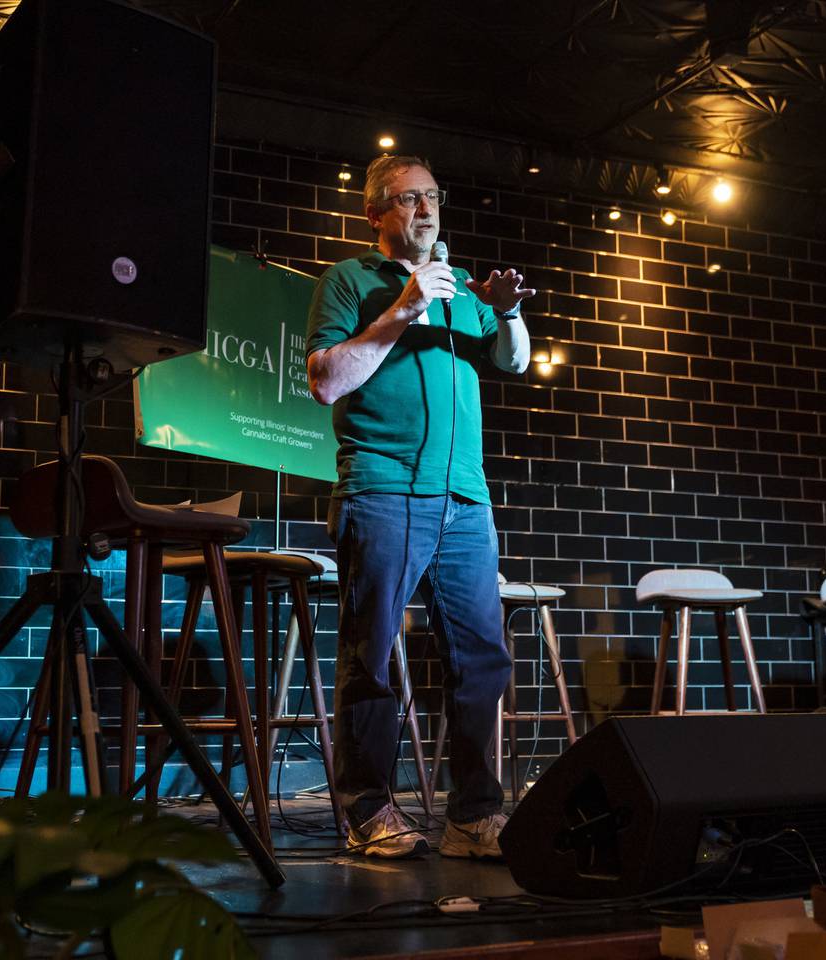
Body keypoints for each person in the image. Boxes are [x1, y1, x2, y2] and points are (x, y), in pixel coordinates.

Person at [305, 155, 535, 859]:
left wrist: (507, 311)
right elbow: (325, 381)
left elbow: (516, 361)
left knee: (481, 658)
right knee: (371, 652)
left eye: (433, 197)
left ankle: (474, 816)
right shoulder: (350, 280)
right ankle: (367, 808)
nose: (426, 210)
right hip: (382, 488)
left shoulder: (465, 289)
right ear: (376, 213)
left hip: (465, 497)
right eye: (409, 199)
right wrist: (405, 306)